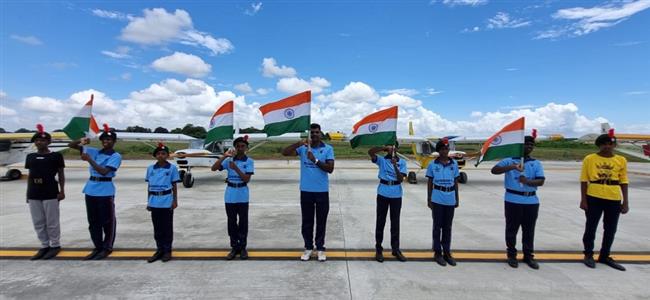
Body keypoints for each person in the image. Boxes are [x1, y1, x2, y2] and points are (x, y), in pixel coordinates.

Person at [68, 124, 122, 260]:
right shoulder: (95, 151)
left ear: (114, 142)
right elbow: (71, 145)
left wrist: (89, 160)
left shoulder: (116, 156)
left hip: (105, 190)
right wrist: (82, 140)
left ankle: (107, 247)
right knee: (93, 221)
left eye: (109, 140)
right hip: (91, 189)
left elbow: (104, 171)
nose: (106, 142)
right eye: (104, 139)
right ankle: (97, 246)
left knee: (108, 221)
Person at [490, 135, 545, 269]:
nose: (529, 147)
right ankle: (512, 254)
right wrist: (512, 167)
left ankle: (528, 255)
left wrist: (527, 182)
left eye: (531, 145)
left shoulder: (535, 163)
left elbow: (541, 180)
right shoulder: (509, 160)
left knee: (529, 230)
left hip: (531, 200)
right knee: (511, 229)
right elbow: (494, 170)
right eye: (526, 144)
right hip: (513, 199)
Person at [282, 123, 335, 262]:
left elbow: (330, 168)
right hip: (306, 190)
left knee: (321, 221)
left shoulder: (328, 149)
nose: (314, 135)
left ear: (320, 133)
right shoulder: (303, 148)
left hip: (322, 191)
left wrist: (315, 160)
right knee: (307, 221)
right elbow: (284, 152)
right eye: (312, 132)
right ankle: (308, 247)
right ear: (309, 134)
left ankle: (320, 248)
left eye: (317, 132)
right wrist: (298, 143)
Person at [580, 131, 629, 271]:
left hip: (613, 197)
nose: (607, 146)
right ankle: (588, 254)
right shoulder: (590, 159)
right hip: (593, 196)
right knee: (591, 227)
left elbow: (624, 181)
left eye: (610, 144)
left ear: (614, 145)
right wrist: (583, 199)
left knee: (610, 229)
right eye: (604, 144)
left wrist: (625, 202)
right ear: (598, 145)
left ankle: (605, 255)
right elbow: (584, 180)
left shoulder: (621, 160)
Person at [25, 124, 65, 260]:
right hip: (34, 192)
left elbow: (61, 174)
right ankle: (44, 245)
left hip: (50, 191)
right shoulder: (30, 157)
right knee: (38, 221)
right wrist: (27, 194)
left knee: (52, 221)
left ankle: (55, 245)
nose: (39, 142)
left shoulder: (56, 156)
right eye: (36, 140)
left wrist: (62, 191)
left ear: (49, 142)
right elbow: (30, 175)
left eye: (42, 140)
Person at [212, 136, 254, 260]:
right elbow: (214, 168)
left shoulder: (249, 161)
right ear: (234, 147)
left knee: (243, 222)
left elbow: (246, 179)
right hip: (230, 194)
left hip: (242, 194)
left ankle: (243, 247)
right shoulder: (229, 160)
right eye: (238, 146)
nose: (240, 148)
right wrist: (224, 156)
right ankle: (234, 246)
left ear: (246, 148)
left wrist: (235, 168)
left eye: (243, 146)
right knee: (231, 222)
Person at [368, 143, 407, 262]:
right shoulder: (382, 160)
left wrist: (395, 166)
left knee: (395, 223)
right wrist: (383, 148)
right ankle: (378, 249)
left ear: (397, 148)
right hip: (383, 193)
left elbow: (401, 179)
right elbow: (371, 152)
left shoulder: (402, 162)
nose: (392, 149)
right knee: (380, 221)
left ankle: (396, 249)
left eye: (394, 146)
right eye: (390, 147)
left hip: (396, 194)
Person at [426, 138, 460, 267]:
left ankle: (447, 252)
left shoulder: (454, 164)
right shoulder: (432, 165)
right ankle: (437, 252)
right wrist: (429, 199)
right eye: (442, 149)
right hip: (437, 198)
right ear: (438, 151)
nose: (445, 151)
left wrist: (457, 198)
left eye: (446, 149)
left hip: (450, 198)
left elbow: (455, 182)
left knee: (447, 227)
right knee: (437, 226)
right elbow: (430, 183)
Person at [145, 143, 180, 263]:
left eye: (163, 153)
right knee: (157, 228)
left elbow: (174, 185)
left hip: (166, 200)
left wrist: (175, 200)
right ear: (155, 155)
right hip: (154, 201)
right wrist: (148, 201)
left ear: (167, 155)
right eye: (158, 153)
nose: (161, 155)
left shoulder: (172, 168)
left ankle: (167, 250)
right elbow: (149, 186)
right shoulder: (150, 169)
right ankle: (159, 249)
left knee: (167, 227)